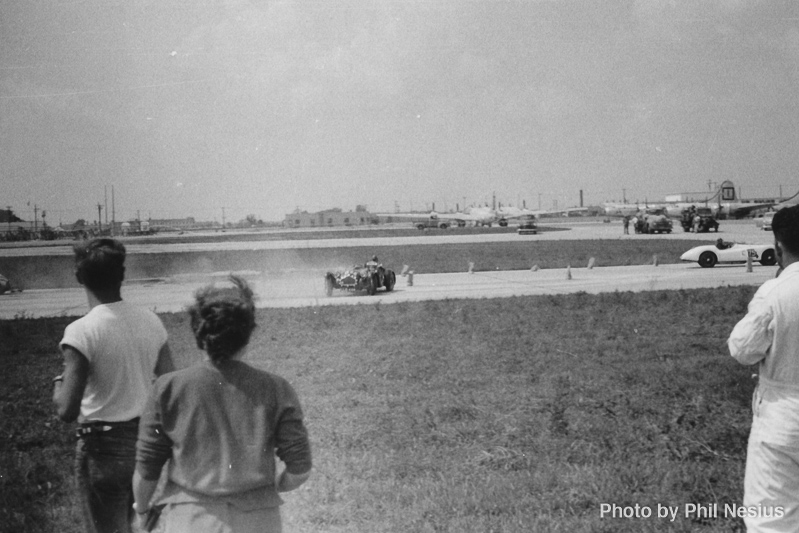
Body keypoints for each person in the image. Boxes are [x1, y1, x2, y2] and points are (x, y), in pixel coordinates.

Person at [133, 275, 312, 533]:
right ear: (248, 333)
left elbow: (147, 470)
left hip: (192, 519)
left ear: (198, 332)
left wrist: (141, 510)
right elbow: (300, 468)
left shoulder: (167, 388)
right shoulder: (276, 388)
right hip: (259, 522)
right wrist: (271, 488)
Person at [52, 238, 174, 533]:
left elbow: (67, 410)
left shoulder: (81, 331)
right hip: (144, 443)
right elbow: (171, 386)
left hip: (102, 449)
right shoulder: (150, 321)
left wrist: (58, 385)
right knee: (136, 524)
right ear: (122, 274)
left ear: (79, 277)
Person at [728, 204, 799, 532]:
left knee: (772, 519)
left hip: (783, 418)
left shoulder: (775, 292)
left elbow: (742, 349)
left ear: (779, 247)